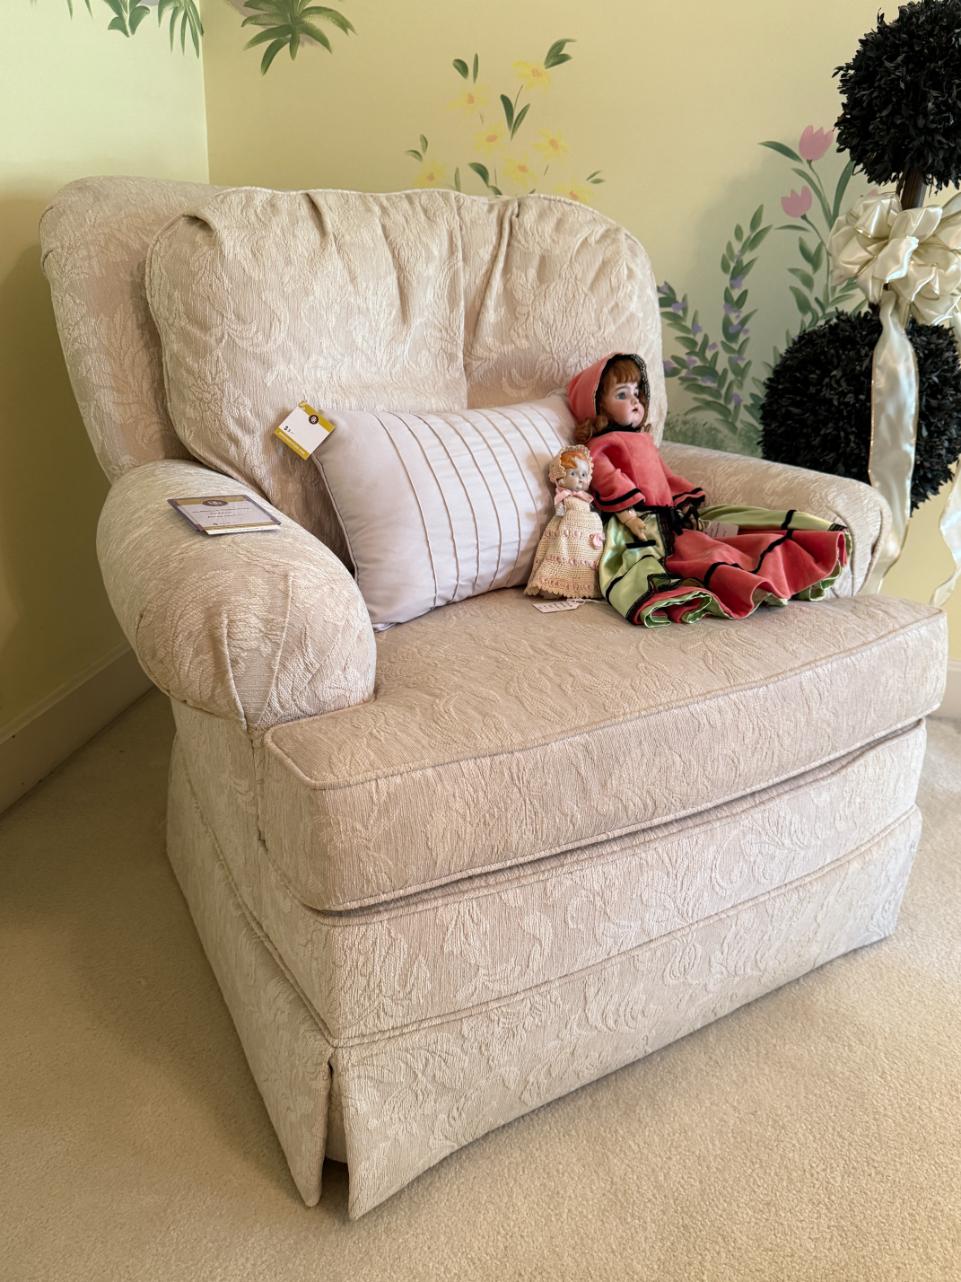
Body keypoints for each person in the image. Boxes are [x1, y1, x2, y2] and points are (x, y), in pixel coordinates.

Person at [567, 352, 850, 626]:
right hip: (638, 526)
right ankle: (729, 586)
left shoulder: (644, 441)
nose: (634, 400)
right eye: (622, 395)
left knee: (719, 547)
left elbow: (665, 477)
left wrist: (685, 502)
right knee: (675, 562)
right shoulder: (602, 444)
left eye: (637, 392)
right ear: (598, 407)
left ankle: (763, 576)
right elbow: (606, 476)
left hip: (670, 520)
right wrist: (629, 516)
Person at [525, 444, 604, 600]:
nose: (580, 478)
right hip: (566, 537)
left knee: (586, 562)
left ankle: (584, 586)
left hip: (585, 541)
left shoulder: (585, 499)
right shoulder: (564, 497)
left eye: (584, 474)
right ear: (560, 477)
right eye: (573, 473)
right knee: (561, 558)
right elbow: (560, 513)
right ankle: (552, 585)